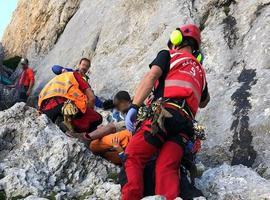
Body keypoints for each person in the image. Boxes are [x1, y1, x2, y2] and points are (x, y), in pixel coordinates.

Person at [121, 24, 210, 200]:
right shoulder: (200, 71)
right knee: (167, 167)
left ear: (176, 39)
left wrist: (134, 106)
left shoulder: (168, 54)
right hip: (185, 127)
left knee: (133, 157)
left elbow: (151, 77)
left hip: (163, 116)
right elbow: (204, 101)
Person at [38, 61, 102, 134]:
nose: (84, 67)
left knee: (77, 111)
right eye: (83, 65)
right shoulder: (72, 73)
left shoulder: (63, 78)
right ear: (79, 65)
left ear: (88, 69)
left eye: (86, 66)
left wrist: (103, 104)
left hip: (44, 109)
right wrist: (62, 70)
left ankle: (63, 123)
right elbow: (92, 98)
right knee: (97, 118)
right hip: (62, 106)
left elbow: (94, 98)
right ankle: (69, 127)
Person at [85, 91, 132, 165]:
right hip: (126, 135)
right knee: (109, 129)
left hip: (129, 135)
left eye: (118, 106)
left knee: (94, 145)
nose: (117, 108)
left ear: (123, 102)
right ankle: (90, 139)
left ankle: (87, 138)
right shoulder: (125, 110)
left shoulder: (133, 110)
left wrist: (119, 150)